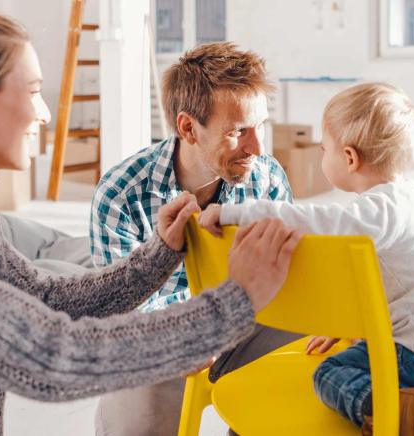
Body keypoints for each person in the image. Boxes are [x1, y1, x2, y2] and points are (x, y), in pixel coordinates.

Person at [0, 2, 300, 435]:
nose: (45, 113)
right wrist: (235, 302)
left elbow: (47, 298)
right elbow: (52, 355)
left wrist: (160, 254)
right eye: (31, 90)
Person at [199, 82, 414, 436]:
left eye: (323, 149)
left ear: (349, 158)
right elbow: (396, 289)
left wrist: (239, 213)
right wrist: (346, 326)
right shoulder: (406, 200)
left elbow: (318, 223)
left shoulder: (376, 211)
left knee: (331, 375)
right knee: (363, 348)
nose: (322, 156)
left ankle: (407, 412)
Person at [90, 42, 301, 435]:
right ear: (188, 127)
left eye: (261, 128)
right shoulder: (120, 195)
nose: (257, 148)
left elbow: (290, 281)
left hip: (246, 320)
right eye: (238, 132)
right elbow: (123, 317)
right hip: (163, 337)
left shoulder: (266, 176)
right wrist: (193, 331)